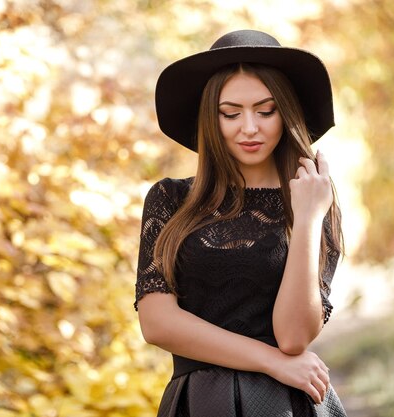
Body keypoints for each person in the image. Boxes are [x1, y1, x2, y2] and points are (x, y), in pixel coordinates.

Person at [134, 29, 348, 416]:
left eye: (265, 111)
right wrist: (272, 362)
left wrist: (308, 217)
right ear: (210, 119)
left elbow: (293, 337)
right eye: (231, 113)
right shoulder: (170, 200)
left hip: (287, 404)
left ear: (286, 114)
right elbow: (157, 323)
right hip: (200, 403)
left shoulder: (315, 200)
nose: (249, 127)